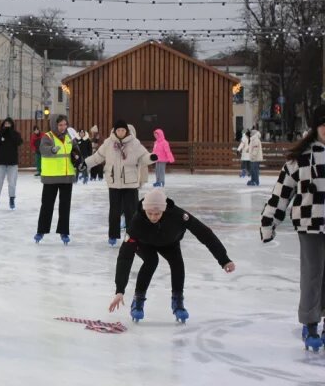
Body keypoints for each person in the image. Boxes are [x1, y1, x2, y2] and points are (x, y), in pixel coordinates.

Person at [109, 188, 235, 323]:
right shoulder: (137, 221)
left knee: (177, 263)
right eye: (149, 213)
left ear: (164, 209)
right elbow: (125, 256)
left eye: (157, 214)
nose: (153, 217)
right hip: (144, 243)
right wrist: (120, 290)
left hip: (169, 242)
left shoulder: (178, 215)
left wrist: (224, 259)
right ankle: (138, 301)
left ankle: (178, 302)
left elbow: (204, 233)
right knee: (151, 261)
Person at [260, 105, 325, 351]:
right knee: (312, 275)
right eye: (324, 125)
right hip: (309, 224)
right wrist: (269, 222)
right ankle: (310, 323)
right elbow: (281, 194)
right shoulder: (300, 159)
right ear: (316, 128)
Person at [85, 120, 156, 246]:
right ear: (115, 131)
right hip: (114, 183)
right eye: (118, 130)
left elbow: (143, 156)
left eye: (123, 130)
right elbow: (98, 157)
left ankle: (132, 235)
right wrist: (85, 163)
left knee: (131, 211)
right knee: (114, 211)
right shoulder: (108, 143)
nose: (121, 132)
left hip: (130, 183)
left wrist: (151, 158)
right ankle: (113, 235)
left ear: (126, 131)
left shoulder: (134, 143)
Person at [34, 114, 82, 245]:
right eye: (60, 125)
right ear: (55, 125)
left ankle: (64, 231)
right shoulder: (48, 136)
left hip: (66, 177)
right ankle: (41, 230)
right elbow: (42, 150)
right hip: (51, 177)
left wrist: (79, 160)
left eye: (65, 124)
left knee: (65, 206)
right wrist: (52, 149)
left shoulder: (69, 137)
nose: (63, 127)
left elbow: (76, 151)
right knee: (47, 205)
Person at [0, 117, 23, 210]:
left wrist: (11, 133)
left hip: (12, 163)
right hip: (0, 163)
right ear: (3, 124)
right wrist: (2, 133)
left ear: (12, 125)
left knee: (12, 183)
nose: (7, 125)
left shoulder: (15, 134)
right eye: (6, 124)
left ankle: (12, 199)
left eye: (9, 124)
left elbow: (19, 142)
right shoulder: (0, 133)